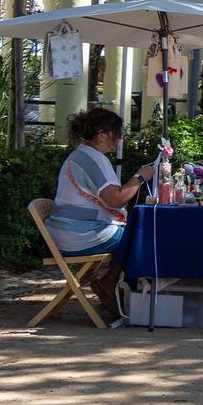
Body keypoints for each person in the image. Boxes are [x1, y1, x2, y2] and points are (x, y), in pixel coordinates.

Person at [46, 109, 157, 313]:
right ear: (102, 135)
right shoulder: (92, 159)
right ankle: (110, 283)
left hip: (71, 231)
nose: (120, 138)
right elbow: (115, 199)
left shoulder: (83, 155)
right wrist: (140, 178)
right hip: (78, 234)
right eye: (117, 133)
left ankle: (111, 283)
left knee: (136, 234)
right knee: (140, 237)